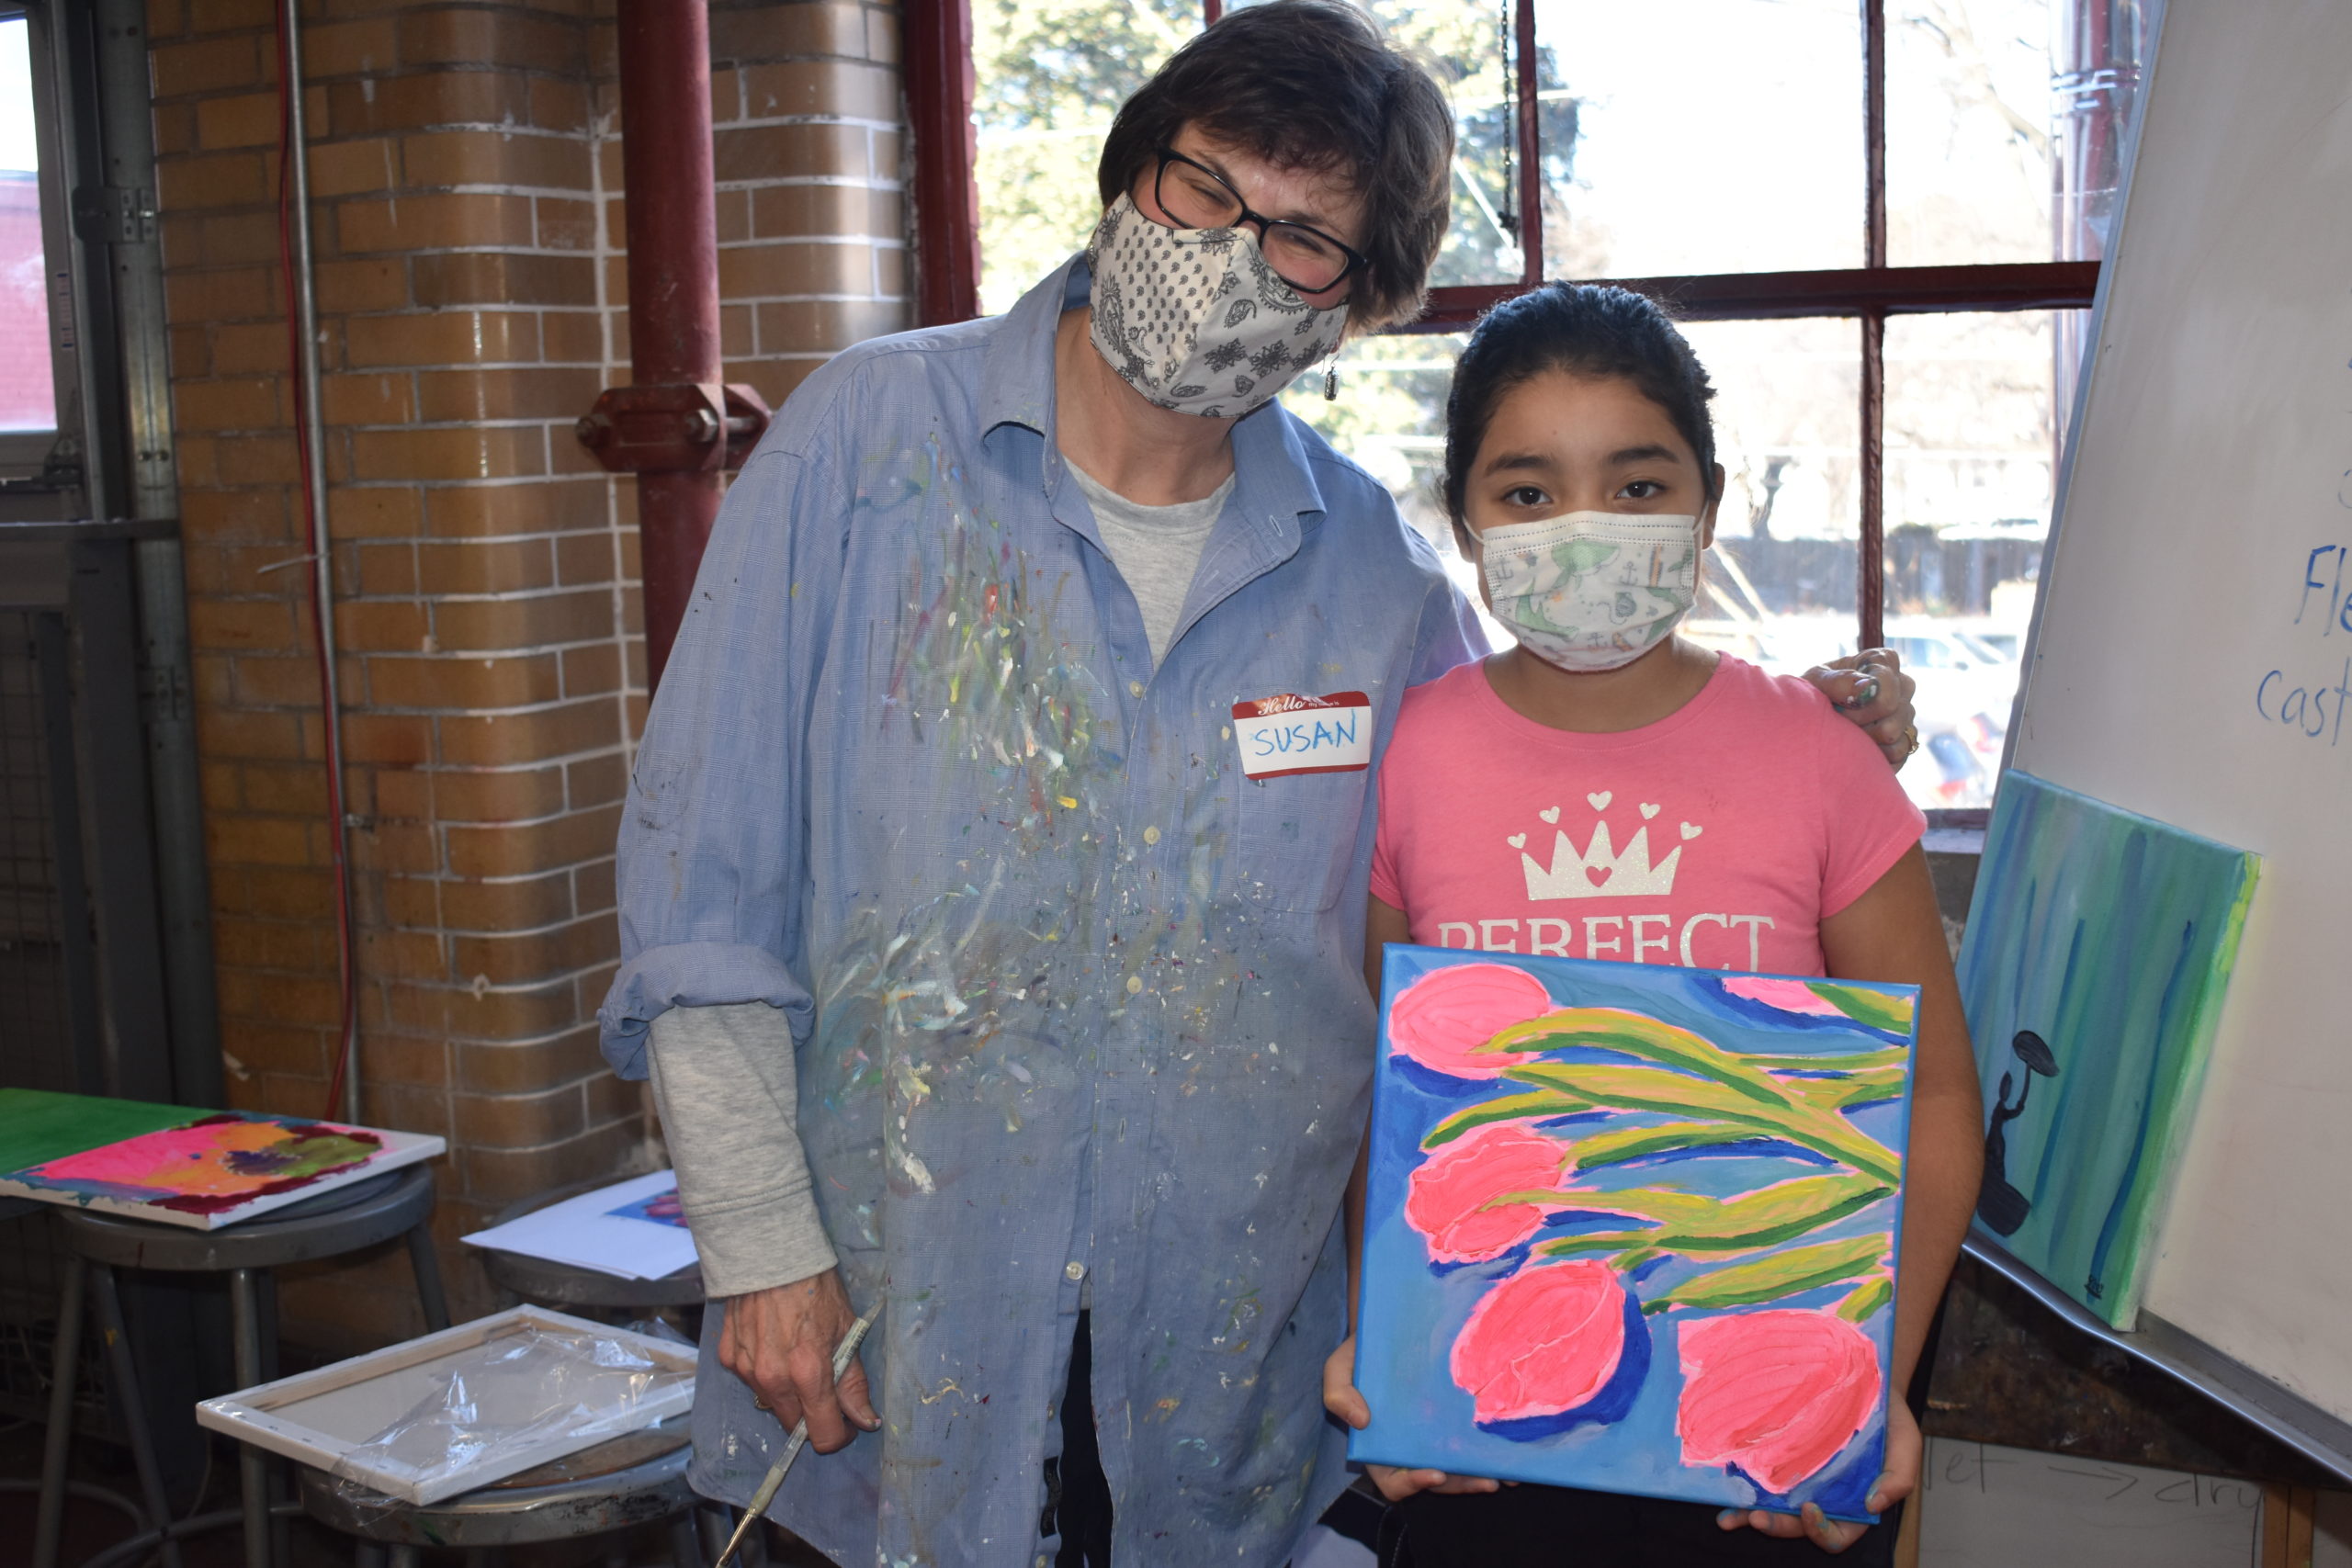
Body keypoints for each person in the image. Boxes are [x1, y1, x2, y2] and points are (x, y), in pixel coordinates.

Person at [598, 8, 1919, 1565]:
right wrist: (760, 1248)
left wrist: (1805, 735)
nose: (1232, 250)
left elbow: (1517, 862)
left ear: (1352, 310)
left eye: (1304, 238)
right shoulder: (864, 445)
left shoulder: (1376, 580)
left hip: (1232, 1394)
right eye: (1204, 186)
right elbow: (702, 893)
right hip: (883, 1341)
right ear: (1128, 174)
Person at [1320, 283, 1982, 1565]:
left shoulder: (1822, 759)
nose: (1585, 529)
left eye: (1635, 486)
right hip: (1485, 1443)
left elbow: (1938, 1099)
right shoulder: (1411, 758)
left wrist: (1865, 1381)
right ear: (1463, 522)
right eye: (1527, 492)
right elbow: (1391, 1096)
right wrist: (1393, 1348)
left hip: (1763, 1448)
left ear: (1708, 503)